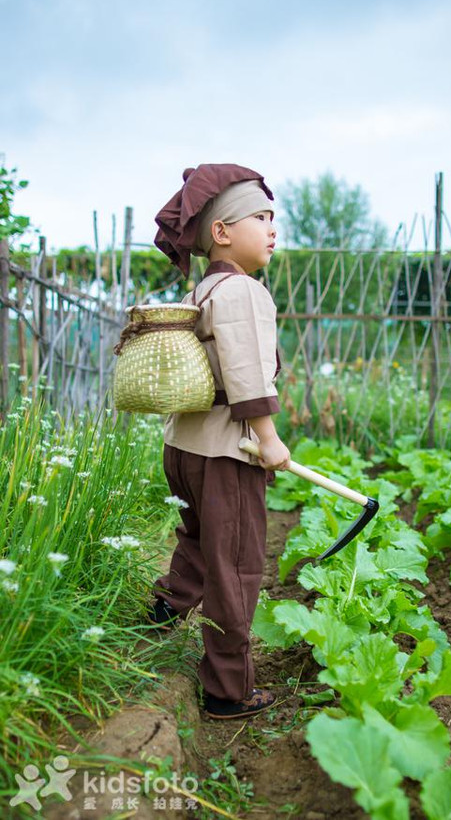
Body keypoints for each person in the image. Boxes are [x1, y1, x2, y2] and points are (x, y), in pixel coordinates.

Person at [150, 163, 290, 720]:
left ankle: (161, 612)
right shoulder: (243, 291)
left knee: (200, 544)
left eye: (273, 219)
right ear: (222, 233)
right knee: (236, 566)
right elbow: (247, 375)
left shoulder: (203, 288)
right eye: (261, 217)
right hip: (225, 455)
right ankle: (228, 691)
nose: (273, 229)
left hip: (183, 446)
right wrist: (270, 440)